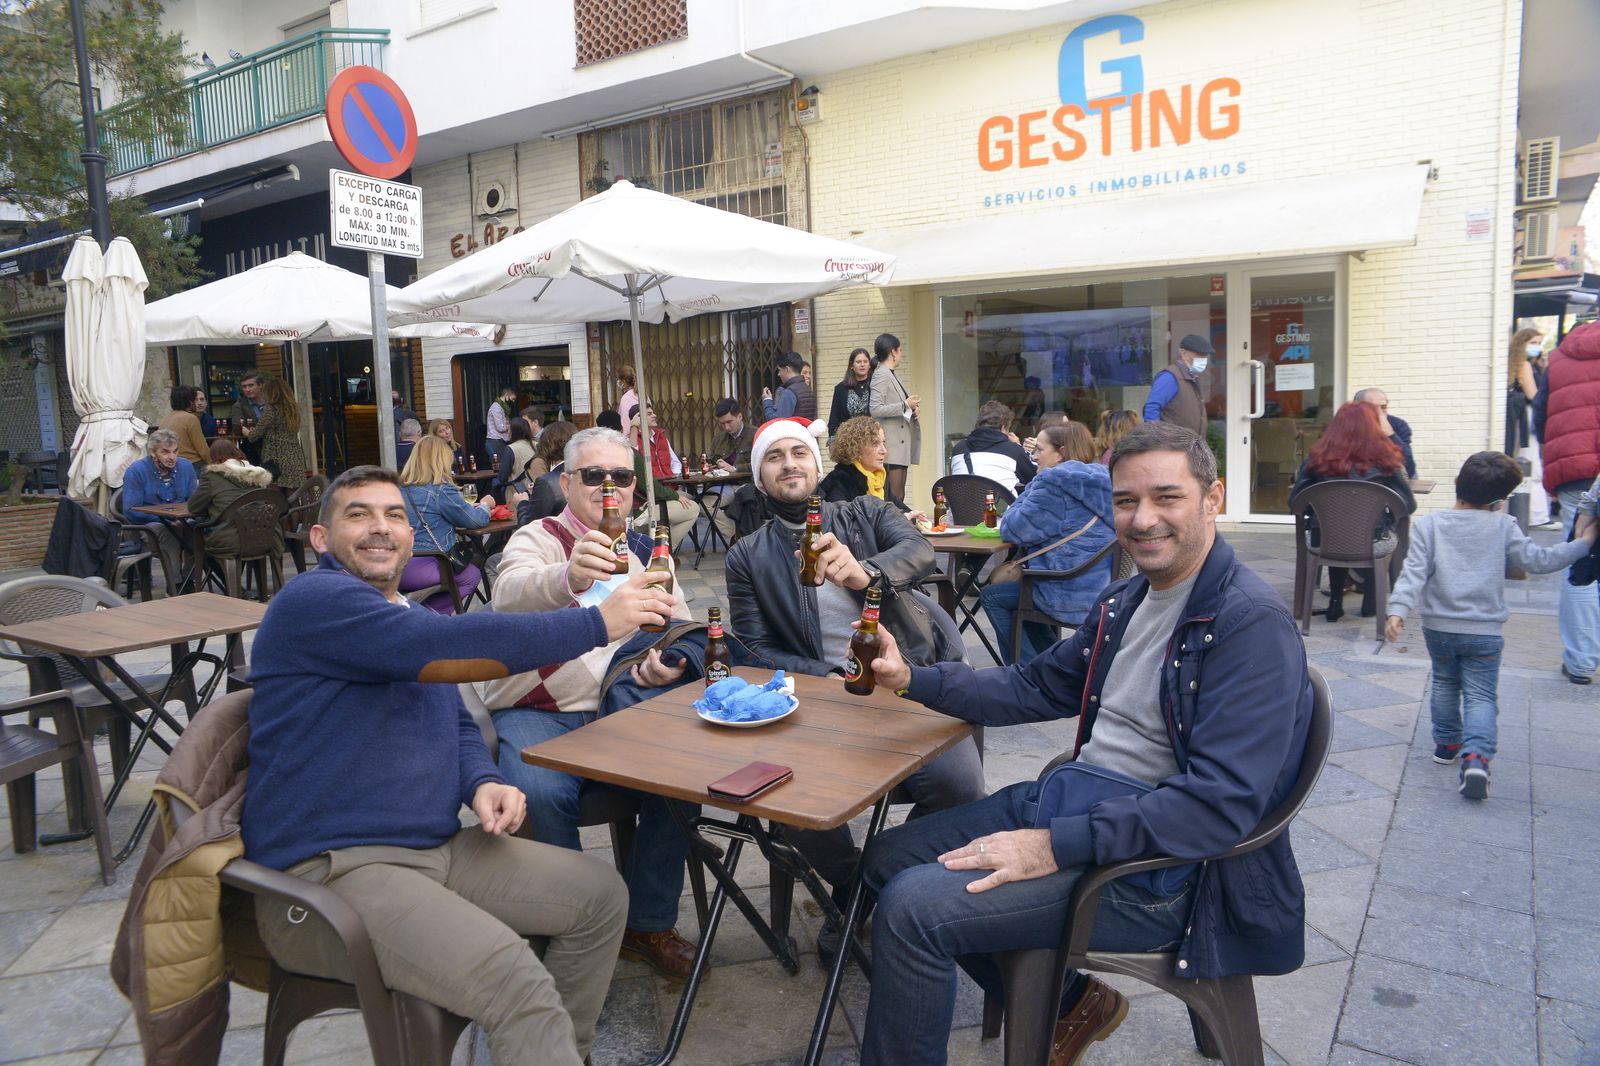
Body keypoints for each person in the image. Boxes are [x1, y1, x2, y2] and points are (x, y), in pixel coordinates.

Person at [854, 421, 1313, 1066]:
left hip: (1161, 870)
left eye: (1166, 497)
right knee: (886, 859)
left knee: (913, 910)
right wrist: (911, 679)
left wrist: (1053, 845)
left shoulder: (1250, 626)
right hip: (1075, 802)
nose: (1143, 518)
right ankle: (1071, 1003)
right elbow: (1033, 686)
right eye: (1125, 501)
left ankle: (1054, 1002)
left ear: (1213, 499)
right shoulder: (1127, 600)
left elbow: (1218, 806)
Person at [245, 464, 675, 1066]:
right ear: (321, 540)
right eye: (358, 514)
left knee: (600, 895)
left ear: (411, 534)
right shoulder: (315, 602)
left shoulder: (406, 617)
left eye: (395, 515)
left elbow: (450, 715)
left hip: (434, 850)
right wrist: (597, 623)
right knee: (518, 983)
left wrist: (483, 779)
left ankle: (558, 1054)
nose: (381, 528)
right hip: (331, 874)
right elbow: (453, 649)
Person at [727, 416, 984, 951]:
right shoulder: (746, 556)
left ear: (817, 465)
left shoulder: (866, 511)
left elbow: (920, 551)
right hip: (815, 702)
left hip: (905, 684)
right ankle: (854, 883)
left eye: (799, 453)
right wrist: (823, 674)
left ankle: (879, 878)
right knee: (783, 799)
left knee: (961, 791)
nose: (790, 464)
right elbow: (750, 649)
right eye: (774, 457)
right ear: (759, 477)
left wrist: (865, 572)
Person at [481, 427, 702, 980]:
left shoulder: (650, 550)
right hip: (542, 710)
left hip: (626, 709)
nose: (610, 486)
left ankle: (646, 922)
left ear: (634, 486)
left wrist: (664, 664)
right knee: (537, 790)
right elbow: (508, 593)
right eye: (594, 475)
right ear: (566, 481)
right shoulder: (539, 537)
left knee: (687, 777)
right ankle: (573, 927)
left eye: (621, 476)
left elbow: (681, 626)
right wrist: (567, 575)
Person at [1386, 452, 1597, 799]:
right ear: (1500, 500)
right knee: (1481, 695)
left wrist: (1398, 610)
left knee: (1443, 684)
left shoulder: (1429, 525)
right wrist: (1583, 544)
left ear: (1457, 484)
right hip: (1484, 632)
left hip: (1439, 628)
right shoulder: (1503, 526)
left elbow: (1413, 573)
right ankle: (1477, 757)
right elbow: (1538, 561)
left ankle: (1446, 745)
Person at [980, 423, 1115, 664]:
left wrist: (1032, 486)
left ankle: (1029, 676)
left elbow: (1013, 529)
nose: (1034, 456)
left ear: (1061, 453)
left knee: (992, 596)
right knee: (1020, 600)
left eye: (1039, 449)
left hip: (1064, 590)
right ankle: (1054, 666)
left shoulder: (1053, 484)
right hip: (1099, 587)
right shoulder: (1101, 478)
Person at [1290, 402, 1415, 621]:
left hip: (1325, 540)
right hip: (1373, 540)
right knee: (1372, 533)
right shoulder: (1387, 461)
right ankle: (1371, 601)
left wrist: (1321, 513)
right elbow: (1408, 505)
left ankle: (1335, 601)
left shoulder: (1316, 460)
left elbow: (1295, 502)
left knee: (1338, 534)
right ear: (1374, 427)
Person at [1534, 319, 1600, 684]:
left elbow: (1541, 419)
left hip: (1576, 474)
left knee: (1580, 565)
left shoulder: (1560, 357)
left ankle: (1580, 663)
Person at [398, 436, 505, 614]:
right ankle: (427, 615)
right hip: (427, 564)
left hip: (396, 563)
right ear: (441, 461)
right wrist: (486, 505)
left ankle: (416, 613)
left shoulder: (399, 489)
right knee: (471, 575)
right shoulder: (440, 489)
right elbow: (475, 520)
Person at [122, 428, 197, 590]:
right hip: (148, 524)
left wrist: (184, 518)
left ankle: (189, 579)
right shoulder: (136, 471)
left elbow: (194, 500)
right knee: (166, 530)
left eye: (175, 451)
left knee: (198, 529)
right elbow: (130, 510)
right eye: (165, 452)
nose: (172, 457)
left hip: (181, 519)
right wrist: (166, 519)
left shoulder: (186, 467)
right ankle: (175, 584)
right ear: (153, 452)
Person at [185, 438, 281, 561]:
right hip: (265, 537)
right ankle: (231, 577)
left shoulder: (212, 475)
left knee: (192, 530)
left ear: (214, 457)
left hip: (230, 540)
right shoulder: (256, 474)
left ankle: (217, 577)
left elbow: (194, 507)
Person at [818, 415, 923, 521]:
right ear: (855, 448)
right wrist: (898, 518)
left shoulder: (879, 477)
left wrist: (915, 517)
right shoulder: (840, 481)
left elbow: (901, 510)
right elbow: (846, 524)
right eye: (875, 444)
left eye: (883, 443)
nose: (884, 451)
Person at [629, 403, 697, 548]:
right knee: (693, 507)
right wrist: (633, 428)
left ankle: (659, 544)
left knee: (693, 498)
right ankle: (661, 549)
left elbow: (676, 463)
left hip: (667, 488)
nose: (654, 415)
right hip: (649, 498)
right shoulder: (632, 443)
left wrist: (674, 478)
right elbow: (633, 455)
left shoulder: (660, 436)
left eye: (653, 412)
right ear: (638, 419)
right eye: (648, 413)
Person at [1506, 329, 1553, 528]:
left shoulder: (1520, 365)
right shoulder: (1524, 366)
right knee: (1531, 462)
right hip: (1527, 419)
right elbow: (1534, 395)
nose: (1537, 346)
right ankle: (1536, 515)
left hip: (1521, 419)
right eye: (1533, 342)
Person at [869, 333, 922, 502]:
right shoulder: (882, 374)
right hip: (891, 445)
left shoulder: (890, 374)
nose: (902, 354)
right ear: (893, 352)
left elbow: (895, 406)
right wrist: (904, 405)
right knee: (894, 498)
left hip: (899, 444)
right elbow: (875, 409)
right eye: (900, 350)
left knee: (899, 496)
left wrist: (911, 409)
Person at [949, 400, 1036, 488]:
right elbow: (1034, 479)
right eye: (1008, 430)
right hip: (1002, 501)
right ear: (1003, 428)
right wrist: (1019, 447)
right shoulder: (1014, 451)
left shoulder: (958, 449)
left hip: (961, 501)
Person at [1142, 334, 1212, 438]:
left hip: (1189, 445)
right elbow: (1151, 408)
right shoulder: (1170, 377)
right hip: (1173, 446)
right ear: (1183, 353)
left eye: (1205, 355)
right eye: (1200, 355)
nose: (1204, 359)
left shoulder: (1193, 377)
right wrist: (1156, 440)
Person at [244, 377, 307, 489]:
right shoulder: (293, 409)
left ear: (271, 393)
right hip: (295, 456)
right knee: (294, 495)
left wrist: (247, 432)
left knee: (276, 498)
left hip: (276, 460)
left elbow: (254, 436)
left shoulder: (271, 410)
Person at [518, 420, 576, 526]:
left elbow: (528, 526)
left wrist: (522, 503)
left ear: (546, 445)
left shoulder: (546, 482)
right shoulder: (584, 473)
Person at [1352, 387, 1417, 479]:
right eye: (1373, 408)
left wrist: (1391, 435)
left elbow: (1409, 469)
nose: (1380, 413)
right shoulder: (1348, 425)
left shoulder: (1398, 425)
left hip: (1391, 478)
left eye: (1383, 407)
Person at [158, 385, 210, 470]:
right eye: (194, 399)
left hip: (169, 465)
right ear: (190, 401)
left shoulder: (164, 419)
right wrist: (216, 465)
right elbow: (202, 450)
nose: (197, 403)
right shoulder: (191, 419)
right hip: (192, 464)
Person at [828, 348, 874, 435]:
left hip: (872, 438)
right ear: (852, 366)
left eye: (865, 361)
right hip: (848, 440)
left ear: (869, 365)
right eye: (858, 362)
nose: (862, 365)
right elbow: (833, 420)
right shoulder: (841, 389)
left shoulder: (875, 386)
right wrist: (832, 441)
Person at [761, 350, 818, 421]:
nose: (779, 374)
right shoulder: (808, 390)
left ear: (787, 369)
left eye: (779, 370)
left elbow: (777, 421)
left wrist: (767, 400)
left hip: (792, 432)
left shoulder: (789, 392)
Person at [498, 417, 541, 499]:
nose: (508, 432)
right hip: (538, 491)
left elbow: (502, 477)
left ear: (513, 432)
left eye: (509, 429)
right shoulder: (538, 445)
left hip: (518, 495)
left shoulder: (511, 448)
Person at [485, 385, 516, 469]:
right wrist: (510, 426)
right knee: (499, 469)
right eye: (512, 399)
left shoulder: (502, 407)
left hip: (499, 441)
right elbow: (501, 428)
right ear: (506, 395)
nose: (512, 402)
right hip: (496, 441)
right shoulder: (497, 408)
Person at [615, 365, 639, 438]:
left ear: (623, 381)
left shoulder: (626, 398)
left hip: (633, 439)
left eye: (617, 378)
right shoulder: (643, 395)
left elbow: (625, 425)